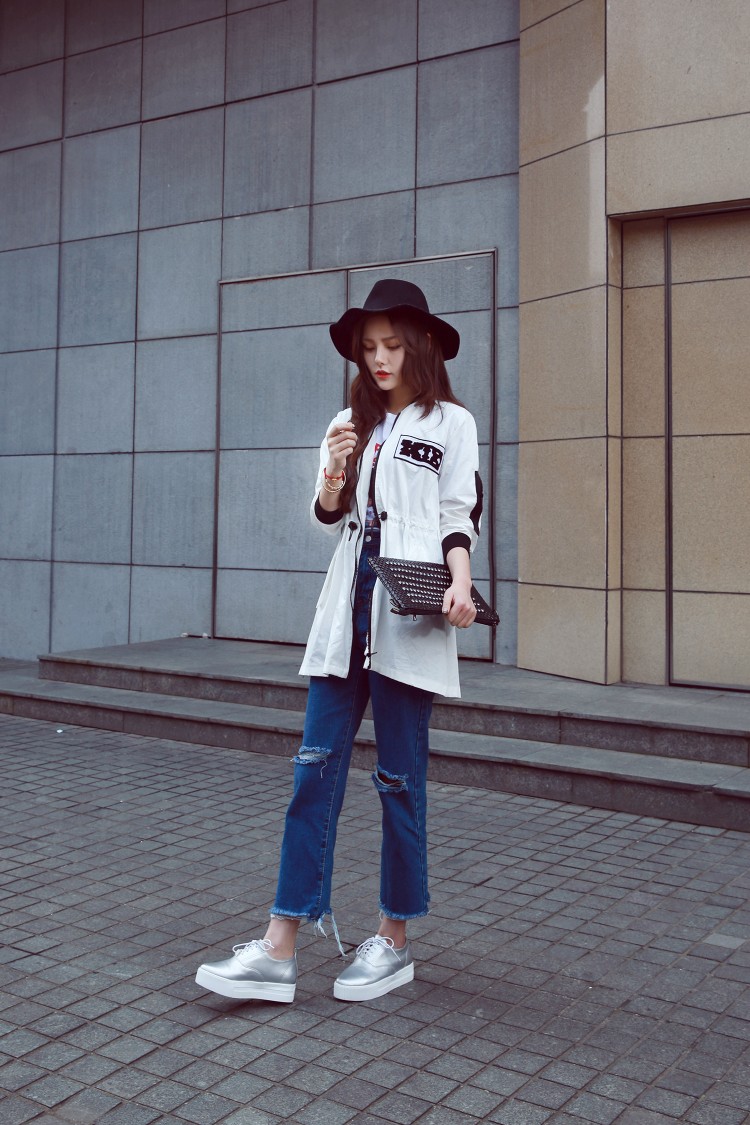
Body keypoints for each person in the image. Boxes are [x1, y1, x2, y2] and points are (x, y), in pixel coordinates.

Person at [195, 278, 482, 1004]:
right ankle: (279, 945)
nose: (379, 359)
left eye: (392, 346)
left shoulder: (451, 422)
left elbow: (458, 512)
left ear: (420, 346)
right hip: (346, 608)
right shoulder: (350, 421)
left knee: (400, 780)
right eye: (369, 347)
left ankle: (393, 938)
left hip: (408, 610)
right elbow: (327, 512)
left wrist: (460, 582)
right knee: (313, 768)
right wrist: (333, 468)